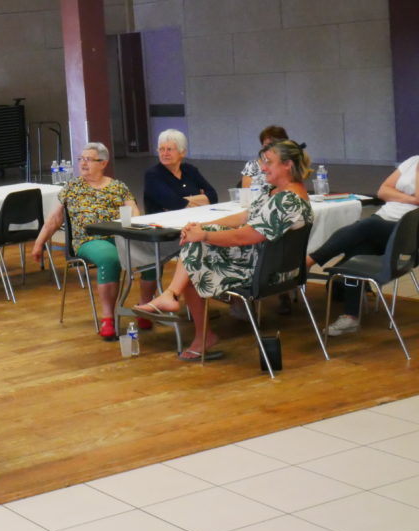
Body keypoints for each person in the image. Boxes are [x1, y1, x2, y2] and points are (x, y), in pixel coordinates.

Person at [135, 140, 313, 361]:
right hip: (263, 261)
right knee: (195, 251)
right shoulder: (275, 191)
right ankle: (174, 298)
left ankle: (180, 307)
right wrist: (203, 228)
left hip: (266, 271)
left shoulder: (288, 200)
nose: (263, 167)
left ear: (287, 165)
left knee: (195, 258)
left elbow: (244, 236)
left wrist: (205, 234)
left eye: (268, 162)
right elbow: (244, 217)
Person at [31, 143, 155, 340]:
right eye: (81, 159)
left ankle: (144, 307)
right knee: (109, 258)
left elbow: (134, 213)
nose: (83, 163)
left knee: (151, 255)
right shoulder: (72, 187)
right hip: (88, 240)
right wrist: (39, 244)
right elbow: (54, 219)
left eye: (89, 159)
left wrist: (137, 227)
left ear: (103, 163)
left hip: (119, 236)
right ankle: (108, 318)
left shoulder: (118, 186)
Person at [306, 154, 419, 336]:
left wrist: (405, 194)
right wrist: (410, 199)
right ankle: (351, 317)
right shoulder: (412, 161)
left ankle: (309, 261)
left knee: (365, 226)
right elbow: (383, 191)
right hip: (382, 223)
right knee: (357, 251)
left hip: (407, 232)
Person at [144, 129, 218, 215]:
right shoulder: (153, 175)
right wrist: (201, 200)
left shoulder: (190, 170)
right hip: (164, 224)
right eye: (161, 149)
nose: (165, 153)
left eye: (169, 149)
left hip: (194, 220)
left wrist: (183, 201)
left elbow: (213, 196)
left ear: (182, 152)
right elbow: (172, 203)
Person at [241, 125, 289, 191]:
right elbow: (246, 191)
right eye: (266, 146)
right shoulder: (252, 165)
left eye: (273, 144)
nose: (269, 149)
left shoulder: (287, 165)